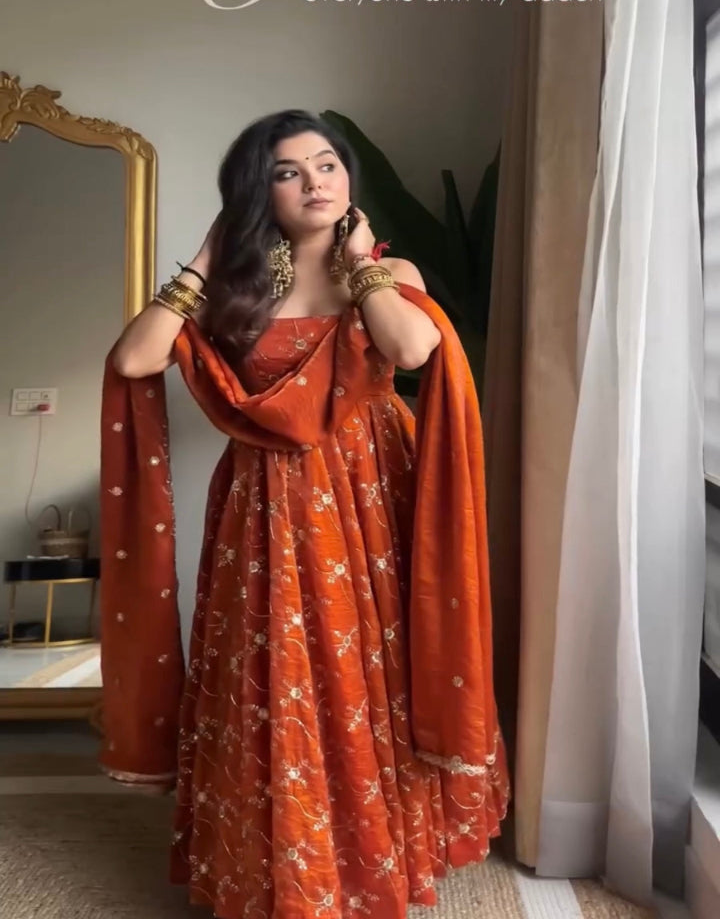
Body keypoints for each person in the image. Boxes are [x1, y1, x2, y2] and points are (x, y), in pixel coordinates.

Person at [99, 109, 509, 919]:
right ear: (260, 192)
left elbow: (412, 352)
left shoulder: (395, 275)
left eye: (327, 165)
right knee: (269, 673)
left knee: (371, 672)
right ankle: (277, 865)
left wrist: (363, 266)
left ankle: (370, 859)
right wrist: (210, 258)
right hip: (262, 506)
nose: (315, 182)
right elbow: (134, 358)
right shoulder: (239, 287)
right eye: (289, 172)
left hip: (370, 498)